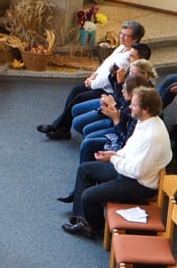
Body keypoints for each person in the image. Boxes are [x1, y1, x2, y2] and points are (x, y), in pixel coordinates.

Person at [61, 87, 172, 239]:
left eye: (133, 105)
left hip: (139, 183)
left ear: (145, 109)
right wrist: (115, 154)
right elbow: (130, 148)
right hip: (128, 170)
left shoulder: (152, 136)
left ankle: (95, 227)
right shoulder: (144, 121)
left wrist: (113, 159)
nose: (129, 107)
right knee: (84, 170)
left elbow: (136, 172)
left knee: (88, 196)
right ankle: (82, 220)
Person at [37, 21, 145, 140]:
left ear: (135, 39)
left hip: (108, 90)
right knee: (75, 90)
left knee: (79, 98)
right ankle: (63, 129)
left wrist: (92, 83)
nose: (121, 37)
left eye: (126, 35)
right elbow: (106, 64)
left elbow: (107, 79)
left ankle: (56, 126)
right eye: (121, 33)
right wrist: (92, 75)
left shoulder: (129, 57)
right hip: (97, 82)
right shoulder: (122, 47)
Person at [57, 75, 151, 203]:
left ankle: (83, 190)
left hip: (124, 151)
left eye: (124, 89)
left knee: (88, 143)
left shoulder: (138, 116)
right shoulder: (134, 108)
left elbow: (125, 140)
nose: (122, 91)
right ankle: (80, 189)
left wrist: (116, 118)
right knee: (88, 142)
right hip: (121, 142)